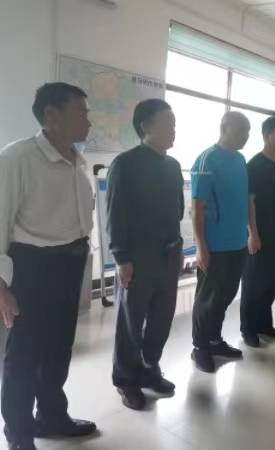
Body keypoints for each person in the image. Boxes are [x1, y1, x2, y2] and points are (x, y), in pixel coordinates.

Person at [0, 82, 97, 450]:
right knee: (24, 357)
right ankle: (19, 435)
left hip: (70, 264)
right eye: (80, 112)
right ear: (51, 115)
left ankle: (52, 416)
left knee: (58, 349)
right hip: (32, 267)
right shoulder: (16, 159)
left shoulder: (76, 159)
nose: (88, 121)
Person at [107, 99, 184, 411]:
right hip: (137, 258)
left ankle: (150, 369)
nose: (174, 130)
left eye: (174, 124)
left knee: (161, 320)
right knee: (130, 322)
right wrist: (122, 258)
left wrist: (178, 248)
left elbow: (178, 211)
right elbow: (116, 215)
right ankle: (126, 380)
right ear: (145, 126)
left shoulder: (173, 166)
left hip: (169, 254)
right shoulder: (125, 164)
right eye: (167, 124)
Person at [190, 111, 251, 373]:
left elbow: (245, 199)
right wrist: (201, 246)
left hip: (238, 243)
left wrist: (251, 232)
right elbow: (197, 208)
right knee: (207, 300)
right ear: (224, 128)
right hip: (214, 245)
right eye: (241, 130)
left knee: (226, 295)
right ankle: (200, 347)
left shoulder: (240, 159)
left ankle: (214, 341)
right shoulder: (207, 159)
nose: (246, 136)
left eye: (248, 131)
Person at [240, 116, 275, 347]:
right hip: (260, 235)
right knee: (253, 284)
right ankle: (248, 328)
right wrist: (252, 234)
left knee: (271, 282)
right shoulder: (255, 165)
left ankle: (264, 323)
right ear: (266, 135)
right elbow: (249, 202)